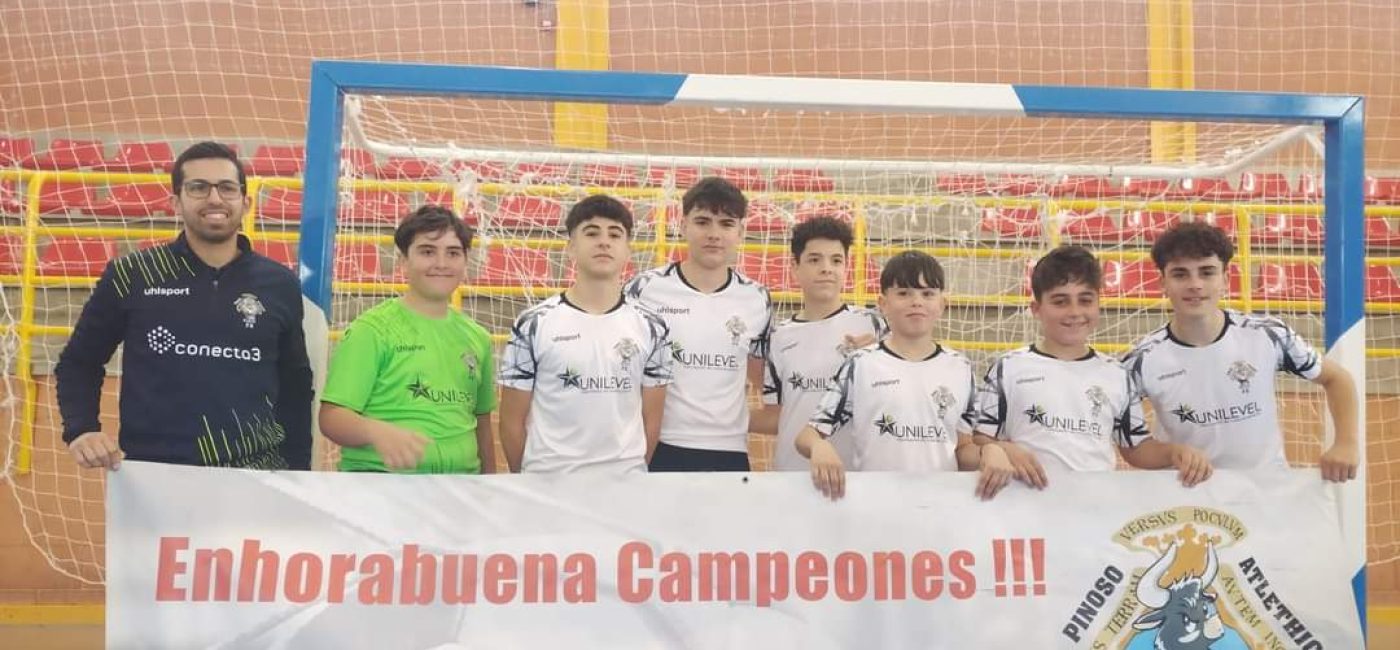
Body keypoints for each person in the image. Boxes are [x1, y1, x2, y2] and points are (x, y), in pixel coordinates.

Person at [56, 141, 312, 470]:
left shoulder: (280, 283)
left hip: (255, 478)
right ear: (176, 202)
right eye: (198, 187)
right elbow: (79, 361)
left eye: (227, 188)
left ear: (246, 202)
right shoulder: (133, 274)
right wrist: (82, 429)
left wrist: (298, 474)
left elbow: (295, 385)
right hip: (155, 474)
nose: (215, 198)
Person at [1123, 222, 1359, 482]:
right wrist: (1172, 453)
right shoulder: (1142, 360)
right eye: (1180, 274)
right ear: (1162, 283)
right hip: (1187, 497)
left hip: (1265, 491)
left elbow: (1338, 379)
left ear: (1225, 278)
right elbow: (1133, 447)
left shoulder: (1269, 335)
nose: (1195, 284)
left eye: (1207, 272)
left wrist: (1346, 443)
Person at [972, 245, 1212, 495]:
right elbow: (980, 440)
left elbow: (1136, 448)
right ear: (1036, 309)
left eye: (1085, 300)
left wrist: (1176, 452)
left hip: (1095, 509)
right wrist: (1001, 449)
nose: (1075, 312)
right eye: (1060, 301)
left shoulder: (1117, 374)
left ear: (1098, 304)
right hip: (1025, 510)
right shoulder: (1008, 368)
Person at [795, 251, 1014, 500]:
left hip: (942, 508)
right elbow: (807, 435)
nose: (916, 302)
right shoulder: (862, 364)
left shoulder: (960, 367)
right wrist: (818, 446)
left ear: (942, 304)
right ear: (883, 303)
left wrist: (989, 452)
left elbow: (962, 449)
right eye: (904, 293)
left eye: (927, 293)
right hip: (877, 507)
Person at [497, 194, 672, 473]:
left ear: (628, 250)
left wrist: (629, 468)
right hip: (549, 481)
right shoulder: (533, 323)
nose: (604, 241)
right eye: (591, 233)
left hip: (624, 482)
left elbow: (652, 419)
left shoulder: (652, 326)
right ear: (570, 248)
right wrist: (533, 478)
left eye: (615, 234)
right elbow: (510, 422)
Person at [319, 205, 496, 473]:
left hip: (460, 491)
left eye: (453, 253)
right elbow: (331, 418)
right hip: (380, 489)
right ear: (403, 261)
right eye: (427, 251)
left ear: (465, 260)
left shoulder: (478, 338)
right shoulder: (372, 330)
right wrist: (375, 432)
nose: (441, 263)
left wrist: (488, 486)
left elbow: (481, 423)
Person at [624, 177, 773, 471]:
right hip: (659, 443)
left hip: (728, 448)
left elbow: (763, 376)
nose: (714, 234)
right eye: (703, 222)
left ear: (741, 231)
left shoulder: (756, 298)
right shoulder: (645, 288)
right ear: (683, 226)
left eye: (726, 224)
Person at [752, 216, 883, 470]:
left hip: (857, 477)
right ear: (795, 266)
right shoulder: (778, 338)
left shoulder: (875, 326)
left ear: (846, 266)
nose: (826, 268)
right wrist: (715, 418)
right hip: (793, 476)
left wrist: (877, 359)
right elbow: (776, 414)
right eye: (814, 260)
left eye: (836, 260)